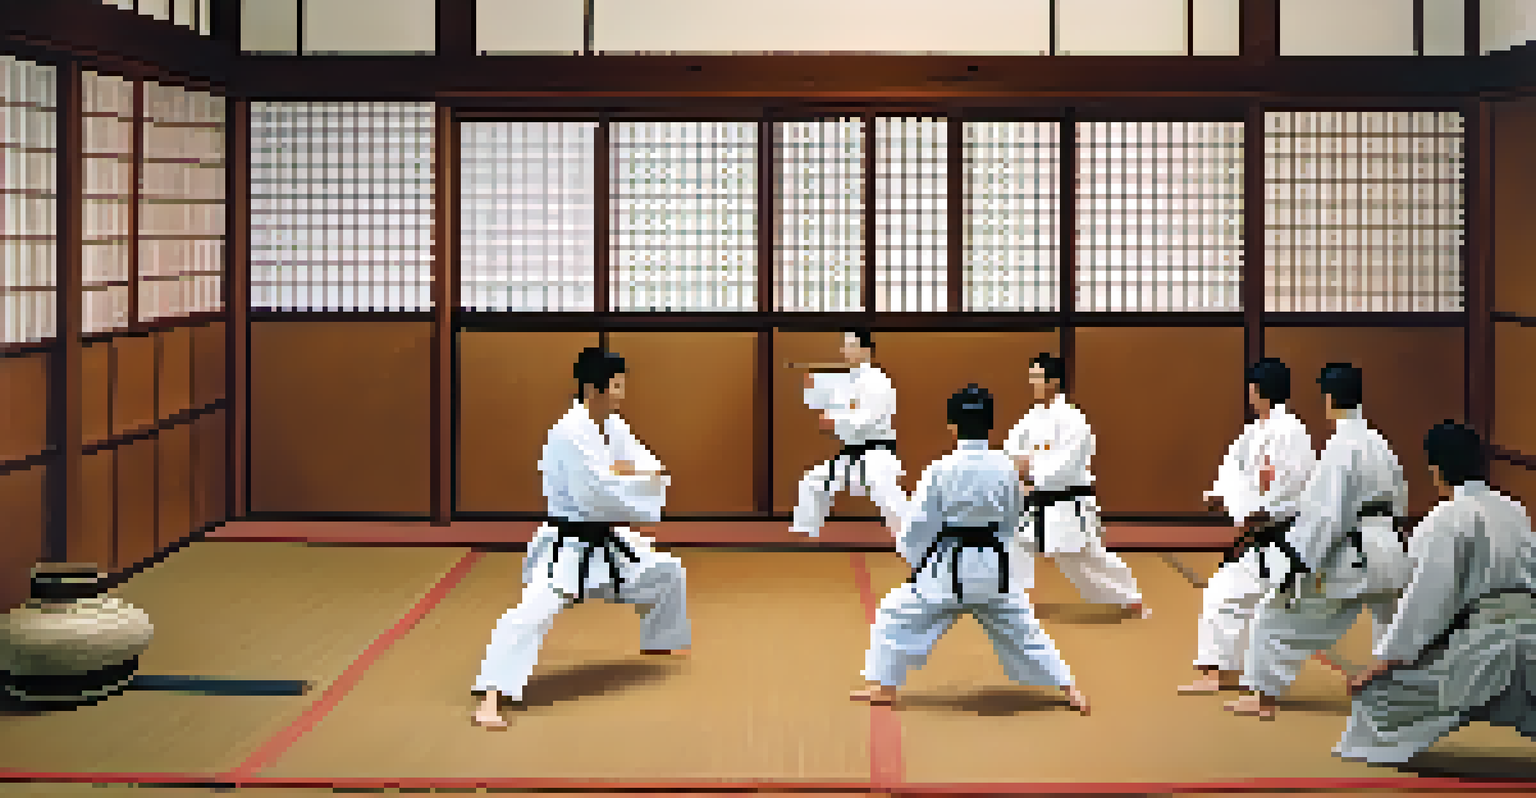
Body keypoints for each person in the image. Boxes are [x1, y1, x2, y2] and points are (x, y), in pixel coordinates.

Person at [470, 348, 691, 729]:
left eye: (623, 385)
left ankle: (659, 640)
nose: (622, 393)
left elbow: (648, 466)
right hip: (568, 547)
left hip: (604, 541)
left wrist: (629, 475)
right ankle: (490, 696)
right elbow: (595, 492)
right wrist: (628, 478)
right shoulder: (568, 433)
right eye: (616, 386)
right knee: (531, 614)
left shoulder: (612, 426)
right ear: (593, 389)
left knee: (667, 572)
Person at [851, 385, 1090, 715]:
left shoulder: (940, 469)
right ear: (990, 425)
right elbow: (1013, 517)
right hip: (992, 571)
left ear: (952, 425)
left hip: (947, 572)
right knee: (1026, 630)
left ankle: (885, 688)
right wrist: (997, 545)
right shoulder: (1006, 468)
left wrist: (914, 555)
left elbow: (921, 522)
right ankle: (1070, 688)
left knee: (894, 615)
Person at [1335, 421, 1536, 764]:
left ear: (1436, 470)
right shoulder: (1515, 511)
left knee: (1376, 698)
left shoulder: (1446, 518)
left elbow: (1426, 601)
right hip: (1532, 641)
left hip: (1482, 650)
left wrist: (1386, 660)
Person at [1228, 363, 1410, 720]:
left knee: (1275, 613)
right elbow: (1400, 498)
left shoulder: (1341, 447)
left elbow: (1327, 517)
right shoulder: (1379, 443)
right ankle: (1402, 697)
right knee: (1394, 632)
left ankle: (1263, 697)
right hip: (1390, 549)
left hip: (1354, 554)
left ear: (1328, 399)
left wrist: (1298, 563)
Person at [1182, 358, 1316, 694]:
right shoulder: (1253, 432)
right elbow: (1233, 471)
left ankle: (1237, 677)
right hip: (1259, 535)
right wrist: (1218, 495)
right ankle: (1224, 673)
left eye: (1252, 389)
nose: (1249, 395)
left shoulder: (1292, 432)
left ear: (1260, 391)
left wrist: (1261, 510)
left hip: (1282, 534)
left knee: (1255, 606)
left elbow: (1294, 484)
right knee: (1227, 595)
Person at [1005, 353, 1147, 619]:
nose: (1032, 382)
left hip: (1066, 502)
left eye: (1037, 377)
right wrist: (1020, 470)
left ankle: (1129, 598)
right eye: (1031, 376)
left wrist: (1031, 469)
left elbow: (1066, 465)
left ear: (1054, 381)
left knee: (1081, 555)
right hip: (1035, 500)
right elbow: (1012, 452)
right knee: (1016, 542)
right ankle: (1018, 599)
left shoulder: (1073, 420)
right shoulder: (1030, 418)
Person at [792, 328, 908, 539]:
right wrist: (810, 387)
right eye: (845, 346)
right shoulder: (844, 379)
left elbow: (869, 418)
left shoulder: (877, 381)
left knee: (888, 496)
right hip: (850, 454)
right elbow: (821, 401)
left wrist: (835, 420)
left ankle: (910, 535)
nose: (846, 351)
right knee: (812, 482)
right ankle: (805, 530)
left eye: (852, 345)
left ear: (867, 350)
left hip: (876, 453)